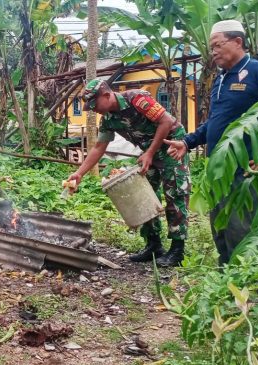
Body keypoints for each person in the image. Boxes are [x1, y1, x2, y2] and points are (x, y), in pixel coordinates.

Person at [165, 20, 258, 265]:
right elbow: (216, 121)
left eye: (218, 45)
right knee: (220, 223)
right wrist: (187, 142)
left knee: (241, 224)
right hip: (219, 166)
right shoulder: (221, 80)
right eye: (212, 48)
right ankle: (227, 275)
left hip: (246, 164)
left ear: (237, 42)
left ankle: (249, 278)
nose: (214, 52)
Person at [66, 79, 191, 267]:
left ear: (107, 95)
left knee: (175, 194)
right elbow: (99, 147)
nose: (93, 109)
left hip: (171, 146)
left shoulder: (137, 99)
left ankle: (177, 250)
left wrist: (149, 153)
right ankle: (154, 245)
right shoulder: (108, 118)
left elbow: (166, 122)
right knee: (142, 195)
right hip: (149, 150)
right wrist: (80, 173)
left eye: (94, 104)